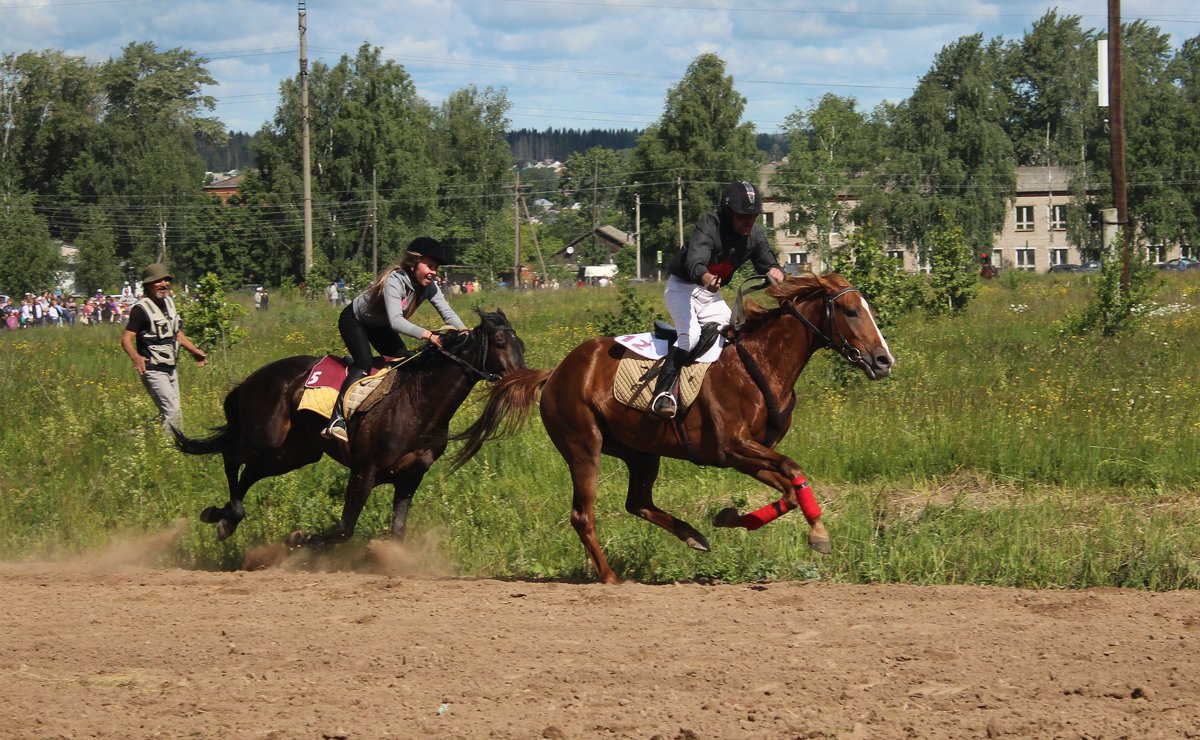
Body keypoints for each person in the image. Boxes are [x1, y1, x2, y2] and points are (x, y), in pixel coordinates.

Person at [652, 180, 785, 419]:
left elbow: (768, 262)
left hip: (709, 295)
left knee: (736, 334)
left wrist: (777, 271)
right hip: (682, 288)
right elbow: (694, 262)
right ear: (728, 212)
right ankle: (663, 393)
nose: (749, 221)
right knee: (690, 336)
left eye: (753, 216)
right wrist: (706, 276)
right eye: (743, 215)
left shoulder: (754, 234)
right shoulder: (709, 225)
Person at [321, 237, 467, 443]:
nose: (433, 271)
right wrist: (429, 335)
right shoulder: (394, 280)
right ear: (414, 263)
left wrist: (465, 330)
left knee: (405, 361)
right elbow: (397, 322)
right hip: (355, 321)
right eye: (430, 266)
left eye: (435, 267)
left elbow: (447, 313)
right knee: (364, 363)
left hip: (380, 326)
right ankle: (337, 420)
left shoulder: (430, 287)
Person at [121, 263, 207, 431]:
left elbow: (176, 332)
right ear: (147, 285)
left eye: (166, 280)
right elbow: (126, 339)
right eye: (158, 281)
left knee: (167, 412)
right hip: (153, 369)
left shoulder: (169, 303)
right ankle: (173, 450)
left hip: (170, 368)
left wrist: (194, 350)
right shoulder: (140, 310)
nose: (164, 284)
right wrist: (135, 357)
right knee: (173, 413)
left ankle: (137, 435)